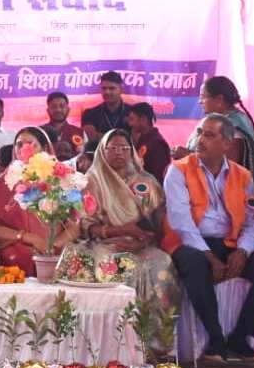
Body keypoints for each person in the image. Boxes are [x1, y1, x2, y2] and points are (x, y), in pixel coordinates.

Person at [162, 114, 254, 362]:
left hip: (230, 243)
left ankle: (240, 337)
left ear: (227, 143)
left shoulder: (243, 176)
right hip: (189, 242)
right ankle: (215, 338)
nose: (200, 140)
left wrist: (243, 252)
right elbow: (181, 222)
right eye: (199, 133)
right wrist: (209, 256)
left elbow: (252, 222)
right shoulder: (178, 170)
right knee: (196, 265)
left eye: (209, 135)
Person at [68, 129, 181, 333]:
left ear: (132, 152)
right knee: (116, 267)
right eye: (112, 148)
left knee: (162, 264)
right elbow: (86, 225)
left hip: (142, 244)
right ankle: (117, 337)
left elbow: (157, 220)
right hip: (106, 244)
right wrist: (119, 231)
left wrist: (142, 239)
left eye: (124, 148)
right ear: (102, 151)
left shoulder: (145, 182)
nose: (118, 152)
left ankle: (156, 340)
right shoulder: (91, 182)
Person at [0, 127, 78, 276]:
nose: (23, 149)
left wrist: (52, 245)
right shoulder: (4, 182)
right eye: (19, 144)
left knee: (75, 261)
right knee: (19, 257)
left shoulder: (60, 179)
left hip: (56, 245)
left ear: (45, 149)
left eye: (30, 144)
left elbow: (73, 225)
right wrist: (29, 238)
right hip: (17, 244)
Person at [174, 76, 254, 192]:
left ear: (219, 100)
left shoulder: (234, 127)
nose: (199, 101)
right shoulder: (214, 121)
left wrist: (187, 157)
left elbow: (226, 168)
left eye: (203, 97)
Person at [80, 71, 130, 142]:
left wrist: (99, 136)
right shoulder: (90, 113)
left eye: (112, 88)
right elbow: (90, 137)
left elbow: (135, 140)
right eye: (104, 88)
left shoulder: (132, 112)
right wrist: (124, 137)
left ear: (121, 89)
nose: (107, 92)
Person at [128, 102, 171, 184]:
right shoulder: (143, 138)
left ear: (143, 119)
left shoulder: (157, 144)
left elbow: (159, 176)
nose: (130, 124)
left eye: (132, 119)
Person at [42, 92, 84, 157]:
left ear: (68, 110)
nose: (58, 110)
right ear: (48, 110)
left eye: (62, 106)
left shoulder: (80, 132)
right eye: (53, 107)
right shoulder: (40, 132)